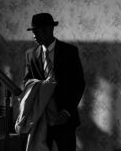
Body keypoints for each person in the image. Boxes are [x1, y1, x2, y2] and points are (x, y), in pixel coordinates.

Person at [23, 13, 86, 151]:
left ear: (49, 30)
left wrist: (67, 112)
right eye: (32, 32)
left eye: (36, 31)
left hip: (64, 118)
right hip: (40, 118)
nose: (33, 36)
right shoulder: (31, 54)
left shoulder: (69, 52)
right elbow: (27, 82)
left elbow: (79, 84)